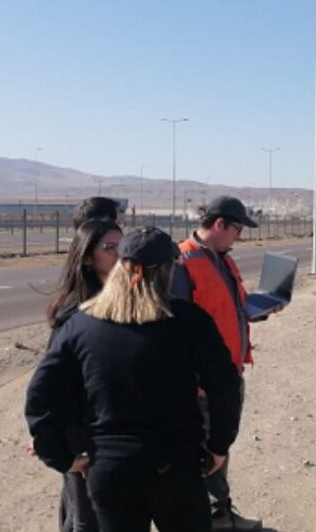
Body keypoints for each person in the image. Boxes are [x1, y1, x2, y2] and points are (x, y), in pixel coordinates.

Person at [26, 227, 241, 532]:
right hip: (176, 469)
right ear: (166, 271)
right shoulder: (190, 321)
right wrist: (219, 445)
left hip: (111, 472)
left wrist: (60, 457)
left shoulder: (81, 325)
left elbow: (41, 397)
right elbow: (225, 386)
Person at [171, 196, 267, 531]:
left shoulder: (223, 261)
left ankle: (221, 513)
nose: (239, 237)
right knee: (207, 454)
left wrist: (259, 309)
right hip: (202, 383)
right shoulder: (183, 262)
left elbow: (229, 307)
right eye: (237, 229)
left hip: (227, 376)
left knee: (219, 448)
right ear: (219, 224)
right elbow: (175, 326)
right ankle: (212, 519)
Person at [43, 218, 123, 532]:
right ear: (88, 258)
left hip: (112, 435)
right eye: (109, 248)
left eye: (122, 247)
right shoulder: (75, 314)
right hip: (85, 439)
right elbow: (53, 387)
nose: (120, 254)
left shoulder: (124, 301)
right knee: (87, 521)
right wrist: (67, 447)